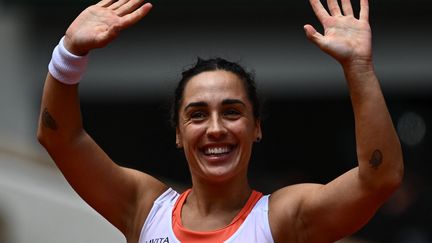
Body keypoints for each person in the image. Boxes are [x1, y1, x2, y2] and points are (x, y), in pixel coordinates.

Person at [37, 0, 404, 242]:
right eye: (197, 115)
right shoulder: (143, 207)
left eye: (232, 112)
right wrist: (70, 50)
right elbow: (60, 138)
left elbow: (378, 178)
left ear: (256, 127)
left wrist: (359, 69)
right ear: (179, 133)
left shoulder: (285, 218)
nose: (215, 128)